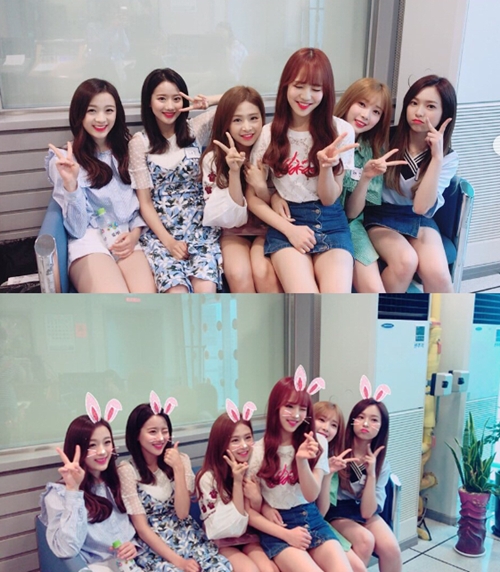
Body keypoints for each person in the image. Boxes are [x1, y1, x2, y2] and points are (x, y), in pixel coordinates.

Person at [247, 47, 357, 293]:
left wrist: (326, 168)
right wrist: (289, 229)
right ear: (286, 86)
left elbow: (330, 199)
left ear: (326, 92)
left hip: (331, 220)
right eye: (298, 86)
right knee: (306, 297)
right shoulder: (268, 134)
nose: (306, 96)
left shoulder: (341, 132)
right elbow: (252, 198)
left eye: (316, 89)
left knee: (335, 299)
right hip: (288, 220)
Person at [46, 78, 156, 293]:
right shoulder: (65, 161)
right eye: (92, 111)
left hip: (126, 237)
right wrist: (71, 185)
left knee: (146, 301)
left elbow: (141, 205)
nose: (101, 119)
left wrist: (135, 235)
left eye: (109, 110)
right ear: (79, 114)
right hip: (89, 241)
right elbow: (77, 229)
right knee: (115, 302)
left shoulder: (129, 151)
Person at [246, 367, 353, 572]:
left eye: (302, 408)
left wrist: (302, 460)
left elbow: (311, 494)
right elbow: (249, 510)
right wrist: (284, 531)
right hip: (278, 526)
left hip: (311, 517)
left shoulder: (318, 442)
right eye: (289, 406)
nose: (296, 415)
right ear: (276, 407)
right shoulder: (258, 452)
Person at [129, 68, 222, 293]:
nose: (170, 106)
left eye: (176, 99)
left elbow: (239, 98)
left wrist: (207, 102)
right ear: (149, 102)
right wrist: (169, 242)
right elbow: (145, 203)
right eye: (162, 98)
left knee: (206, 291)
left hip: (200, 229)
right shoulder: (139, 143)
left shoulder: (195, 129)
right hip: (161, 235)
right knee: (176, 293)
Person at [363, 74, 458, 293]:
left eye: (430, 106)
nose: (419, 112)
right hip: (380, 214)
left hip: (418, 217)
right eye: (414, 103)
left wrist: (436, 159)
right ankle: (383, 312)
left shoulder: (447, 157)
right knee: (406, 261)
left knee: (439, 275)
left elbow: (421, 208)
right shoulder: (385, 138)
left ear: (445, 114)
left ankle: (441, 317)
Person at [118, 399, 232, 571]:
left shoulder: (181, 460)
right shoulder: (127, 470)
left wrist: (178, 468)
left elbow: (182, 513)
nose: (160, 438)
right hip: (156, 548)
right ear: (136, 435)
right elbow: (142, 529)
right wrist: (179, 562)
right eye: (152, 432)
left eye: (165, 431)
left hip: (189, 538)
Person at [40, 404, 141, 572]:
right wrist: (73, 490)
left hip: (129, 565)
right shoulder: (58, 495)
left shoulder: (117, 481)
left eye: (107, 442)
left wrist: (133, 546)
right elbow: (66, 549)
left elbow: (135, 528)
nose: (102, 451)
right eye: (92, 445)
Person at [201, 85, 281, 292]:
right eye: (237, 120)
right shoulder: (213, 159)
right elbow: (230, 218)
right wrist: (234, 172)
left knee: (263, 270)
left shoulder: (272, 149)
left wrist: (261, 188)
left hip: (268, 227)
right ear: (226, 122)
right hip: (233, 230)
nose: (247, 127)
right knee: (238, 272)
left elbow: (281, 203)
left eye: (253, 118)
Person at [334, 79, 406, 293]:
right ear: (348, 102)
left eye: (376, 112)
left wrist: (365, 177)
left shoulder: (373, 151)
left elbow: (352, 213)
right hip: (316, 221)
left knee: (375, 291)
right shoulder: (322, 136)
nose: (366, 115)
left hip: (351, 226)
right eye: (362, 104)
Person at [325, 380, 402, 572]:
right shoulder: (336, 449)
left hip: (363, 509)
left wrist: (371, 474)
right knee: (365, 540)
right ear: (352, 421)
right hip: (337, 510)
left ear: (381, 427)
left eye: (374, 420)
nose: (366, 423)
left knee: (392, 548)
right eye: (360, 417)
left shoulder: (381, 462)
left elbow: (368, 512)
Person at [195, 400, 278, 572]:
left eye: (248, 437)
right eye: (235, 440)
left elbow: (251, 515)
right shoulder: (207, 477)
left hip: (248, 535)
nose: (244, 445)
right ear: (221, 444)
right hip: (222, 538)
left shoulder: (252, 466)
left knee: (269, 569)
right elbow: (230, 525)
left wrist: (257, 499)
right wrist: (237, 481)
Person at [314, 401, 371, 572]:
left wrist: (328, 473)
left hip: (318, 521)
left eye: (333, 425)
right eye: (321, 420)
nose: (326, 428)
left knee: (360, 565)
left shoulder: (331, 458)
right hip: (296, 524)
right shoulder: (294, 453)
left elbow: (321, 512)